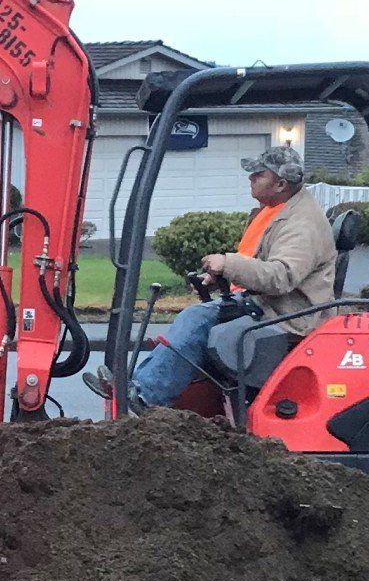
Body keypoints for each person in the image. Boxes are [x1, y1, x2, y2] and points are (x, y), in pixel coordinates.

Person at [108, 142, 338, 411]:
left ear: (280, 184)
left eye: (259, 174)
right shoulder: (287, 212)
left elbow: (280, 276)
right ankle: (140, 386)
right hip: (274, 306)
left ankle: (147, 395)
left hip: (289, 316)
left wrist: (228, 263)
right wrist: (223, 276)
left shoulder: (302, 224)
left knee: (198, 320)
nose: (251, 178)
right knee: (199, 317)